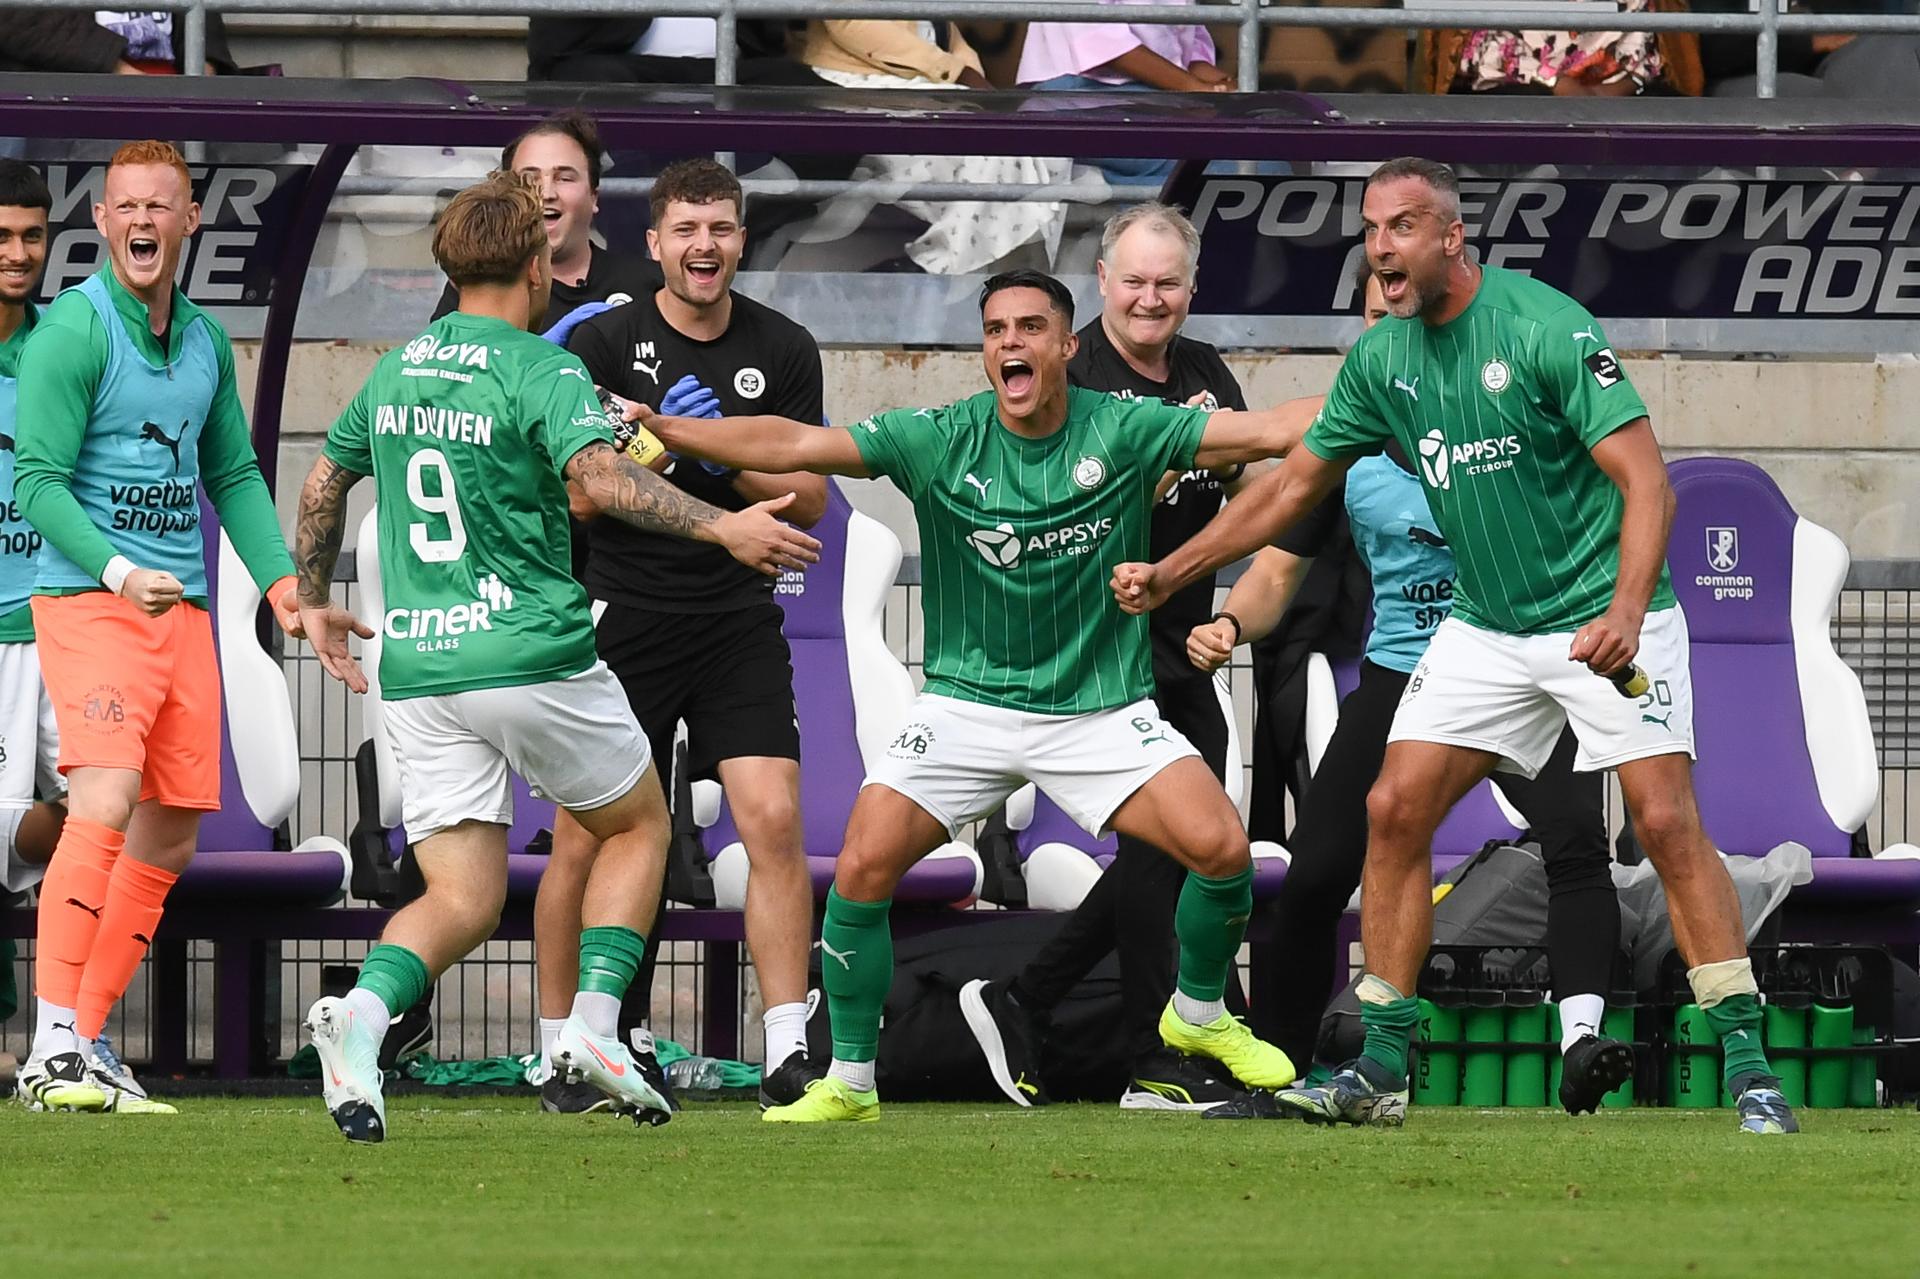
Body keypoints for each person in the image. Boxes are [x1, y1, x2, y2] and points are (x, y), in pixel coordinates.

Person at [1113, 156, 1798, 1136]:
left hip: (1605, 611)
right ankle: (1381, 1069)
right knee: (1393, 807)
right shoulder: (1382, 359)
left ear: (1450, 239)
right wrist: (1179, 572)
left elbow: (1651, 484)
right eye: (1371, 231)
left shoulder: (1541, 325)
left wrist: (1624, 608)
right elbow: (1287, 489)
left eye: (1401, 228)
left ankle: (1749, 1065)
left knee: (1664, 821)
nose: (1382, 249)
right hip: (1485, 623)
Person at [644, 267, 1318, 1125]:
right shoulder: (941, 437)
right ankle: (849, 1080)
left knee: (1222, 850)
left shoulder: (1127, 428)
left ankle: (1198, 1014)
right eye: (997, 329)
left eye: (1031, 327)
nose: (1011, 343)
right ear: (985, 350)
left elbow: (1271, 429)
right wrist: (667, 426)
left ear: (1066, 347)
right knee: (861, 867)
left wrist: (1365, 402)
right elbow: (797, 445)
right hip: (966, 707)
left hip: (1098, 711)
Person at [288, 171, 820, 1145]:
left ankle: (361, 1015)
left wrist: (316, 604)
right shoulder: (542, 368)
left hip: (421, 668)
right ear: (535, 266)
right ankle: (594, 1029)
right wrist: (725, 529)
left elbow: (322, 487)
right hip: (528, 649)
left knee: (462, 894)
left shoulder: (398, 367)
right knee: (637, 826)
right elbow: (604, 477)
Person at [1188, 261, 1630, 1116]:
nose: (1392, 311)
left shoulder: (1513, 407)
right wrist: (1231, 623)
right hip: (1403, 677)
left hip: (1518, 667)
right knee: (1316, 871)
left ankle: (1581, 1041)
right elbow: (1276, 569)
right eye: (1374, 301)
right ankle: (1281, 1070)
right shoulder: (1346, 442)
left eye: (1404, 295)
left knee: (1576, 840)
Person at [12, 140, 315, 1115]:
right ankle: (48, 1041)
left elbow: (230, 474)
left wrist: (281, 585)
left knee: (171, 832)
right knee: (101, 795)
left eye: (163, 206)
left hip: (178, 611)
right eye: (127, 206)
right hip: (91, 599)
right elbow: (38, 484)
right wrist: (116, 566)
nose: (144, 221)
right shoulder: (73, 331)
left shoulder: (203, 344)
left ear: (190, 222)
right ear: (102, 221)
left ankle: (87, 1038)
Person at [955, 203, 1268, 1113]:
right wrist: (1166, 459)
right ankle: (1154, 1059)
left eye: (1168, 283)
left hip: (1189, 652)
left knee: (1188, 854)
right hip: (1100, 662)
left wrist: (1234, 611)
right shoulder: (1072, 368)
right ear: (1101, 284)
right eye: (1133, 281)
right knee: (1162, 852)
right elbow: (1053, 504)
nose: (1150, 298)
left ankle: (1030, 997)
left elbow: (1240, 489)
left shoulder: (1207, 370)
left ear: (1192, 290)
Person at [563, 157, 828, 1112]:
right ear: (653, 244)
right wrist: (669, 448)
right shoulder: (601, 344)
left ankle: (788, 1047)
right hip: (623, 612)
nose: (703, 247)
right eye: (685, 231)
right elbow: (581, 494)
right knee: (597, 835)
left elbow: (809, 499)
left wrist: (699, 439)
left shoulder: (785, 347)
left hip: (736, 614)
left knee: (774, 818)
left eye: (719, 230)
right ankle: (585, 1045)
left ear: (742, 240)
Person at [798, 20, 1070, 275]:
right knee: (992, 149)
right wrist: (957, 73)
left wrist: (971, 79)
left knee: (1047, 152)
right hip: (855, 80)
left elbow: (947, 32)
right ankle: (930, 270)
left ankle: (1009, 286)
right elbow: (850, 22)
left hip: (930, 82)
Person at [0, 161, 68, 954]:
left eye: (32, 235)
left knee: (102, 803)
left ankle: (71, 1021)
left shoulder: (63, 343)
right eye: (3, 236)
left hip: (57, 622)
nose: (18, 252)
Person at [433, 112, 660, 344]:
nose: (547, 193)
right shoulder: (478, 283)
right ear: (504, 195)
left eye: (565, 178)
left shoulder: (651, 285)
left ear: (593, 197)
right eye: (530, 179)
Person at [1018, 0, 1230, 187]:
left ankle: (1120, 200)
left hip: (1154, 95)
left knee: (1241, 147)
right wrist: (1197, 88)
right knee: (1217, 159)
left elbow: (1188, 50)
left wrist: (1226, 89)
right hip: (1077, 96)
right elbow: (1100, 41)